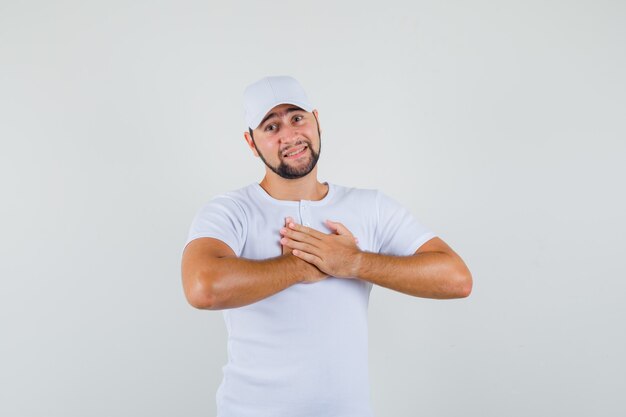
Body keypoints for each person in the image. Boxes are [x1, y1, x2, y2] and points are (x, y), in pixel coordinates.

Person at [181, 75, 473, 417]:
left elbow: (456, 279)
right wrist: (301, 266)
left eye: (297, 118)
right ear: (251, 142)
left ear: (316, 120)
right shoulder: (231, 210)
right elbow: (203, 288)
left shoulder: (370, 206)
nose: (289, 135)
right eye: (271, 126)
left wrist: (353, 263)